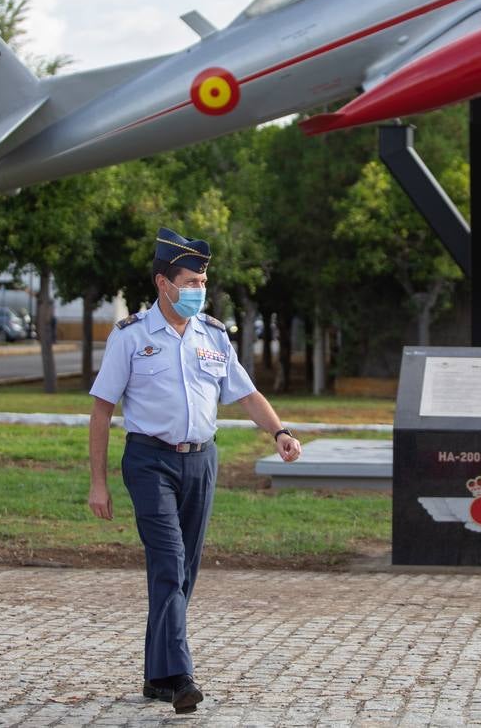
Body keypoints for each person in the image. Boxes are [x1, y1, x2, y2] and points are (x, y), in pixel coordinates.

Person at [87, 228, 301, 715]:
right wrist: (98, 483)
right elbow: (101, 411)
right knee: (169, 562)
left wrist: (279, 432)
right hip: (149, 460)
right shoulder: (131, 336)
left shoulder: (213, 335)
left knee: (184, 572)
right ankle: (181, 676)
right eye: (189, 279)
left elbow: (245, 393)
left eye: (202, 279)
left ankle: (156, 675)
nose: (198, 287)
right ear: (164, 282)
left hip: (202, 460)